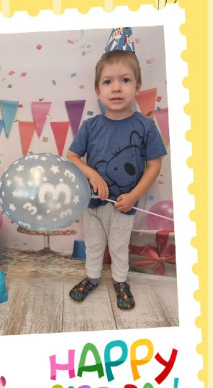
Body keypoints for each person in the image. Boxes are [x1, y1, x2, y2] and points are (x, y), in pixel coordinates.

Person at [66, 50, 167, 310]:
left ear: (137, 86)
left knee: (120, 247)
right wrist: (92, 173)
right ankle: (92, 278)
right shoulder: (90, 126)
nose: (116, 88)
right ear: (97, 90)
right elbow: (72, 157)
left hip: (124, 205)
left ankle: (121, 281)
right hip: (93, 204)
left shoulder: (146, 126)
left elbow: (155, 164)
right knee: (94, 245)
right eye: (108, 81)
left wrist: (134, 196)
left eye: (125, 80)